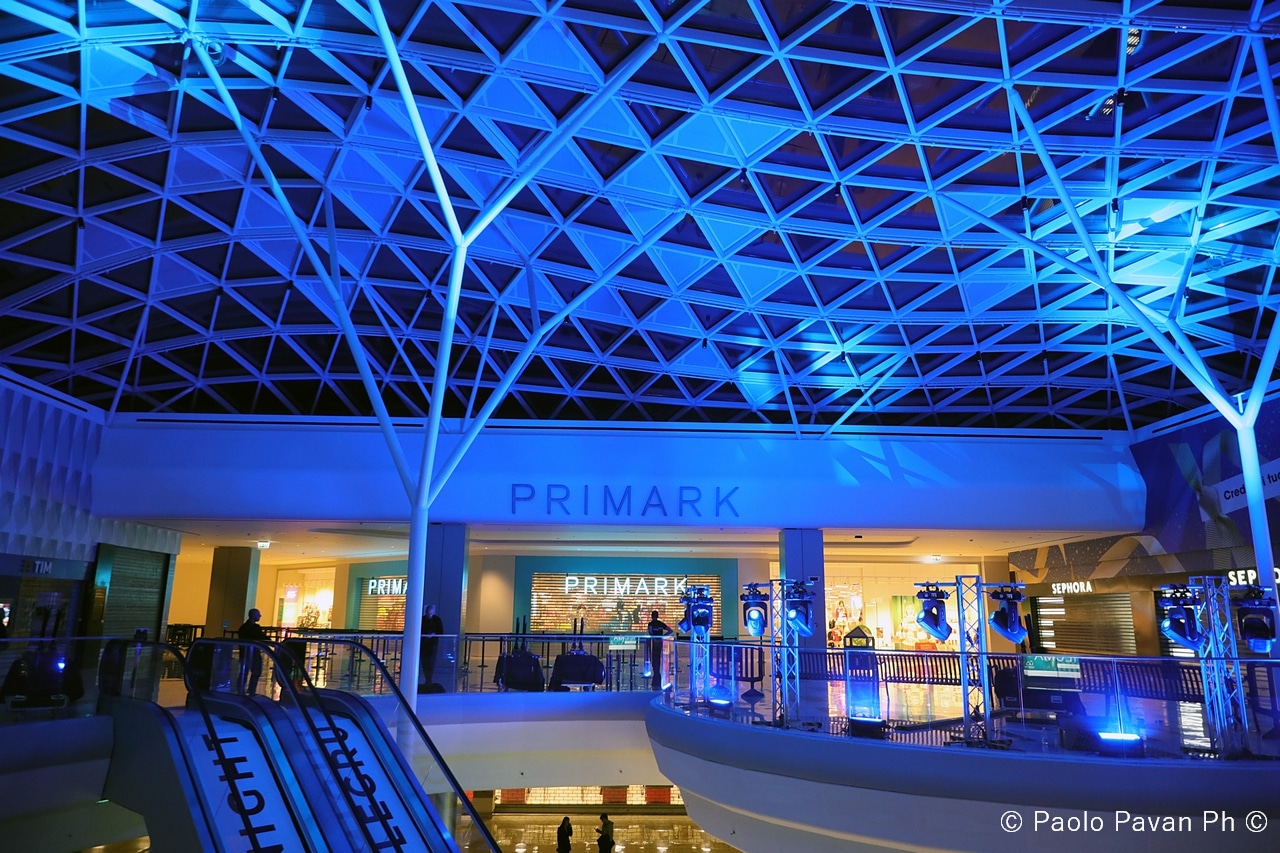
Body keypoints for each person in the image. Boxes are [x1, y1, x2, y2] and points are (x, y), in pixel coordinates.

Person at [237, 608, 269, 694]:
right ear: (253, 616)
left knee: (244, 672)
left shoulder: (243, 628)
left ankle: (240, 690)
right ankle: (251, 690)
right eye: (258, 614)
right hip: (254, 653)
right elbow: (262, 637)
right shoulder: (255, 628)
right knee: (255, 672)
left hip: (246, 653)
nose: (260, 616)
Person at [419, 604, 444, 690]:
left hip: (432, 644)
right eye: (427, 613)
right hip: (423, 644)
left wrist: (433, 634)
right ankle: (427, 677)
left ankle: (429, 677)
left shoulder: (437, 620)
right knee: (424, 661)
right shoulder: (422, 619)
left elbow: (441, 631)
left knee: (431, 661)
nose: (429, 615)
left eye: (430, 614)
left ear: (433, 612)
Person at [646, 610, 672, 690]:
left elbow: (650, 633)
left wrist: (657, 638)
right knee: (657, 656)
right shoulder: (660, 624)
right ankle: (657, 671)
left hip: (654, 643)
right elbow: (670, 630)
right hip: (658, 642)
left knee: (654, 657)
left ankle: (656, 671)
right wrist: (662, 637)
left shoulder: (651, 624)